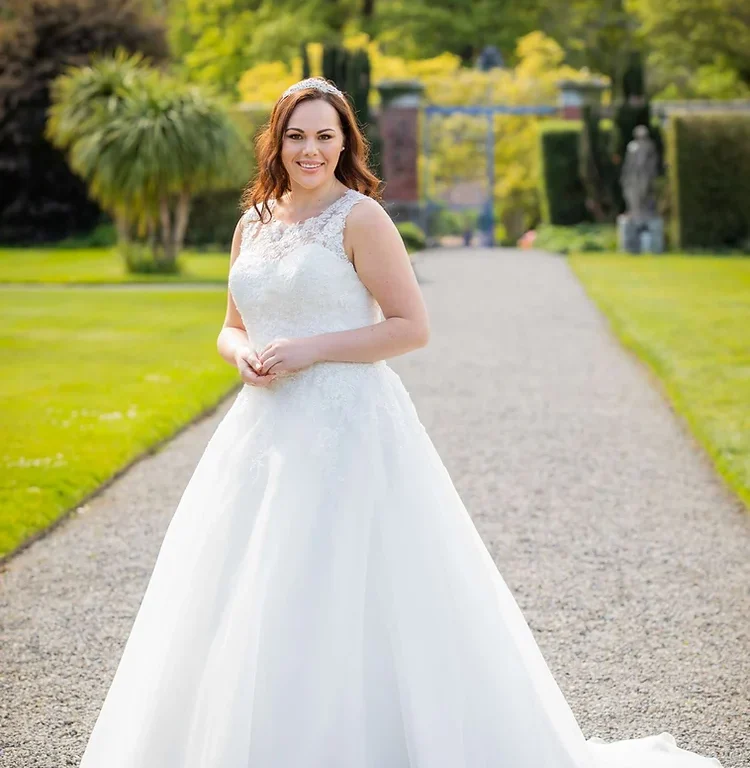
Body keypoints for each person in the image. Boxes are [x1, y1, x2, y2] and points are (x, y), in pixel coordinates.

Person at [78, 78, 723, 768]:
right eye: (297, 135)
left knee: (346, 582)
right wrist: (243, 357)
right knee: (250, 582)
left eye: (325, 136)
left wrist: (311, 349)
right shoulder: (254, 221)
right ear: (276, 141)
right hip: (261, 430)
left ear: (345, 142)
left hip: (345, 426)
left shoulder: (361, 219)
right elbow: (231, 326)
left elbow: (411, 328)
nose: (310, 150)